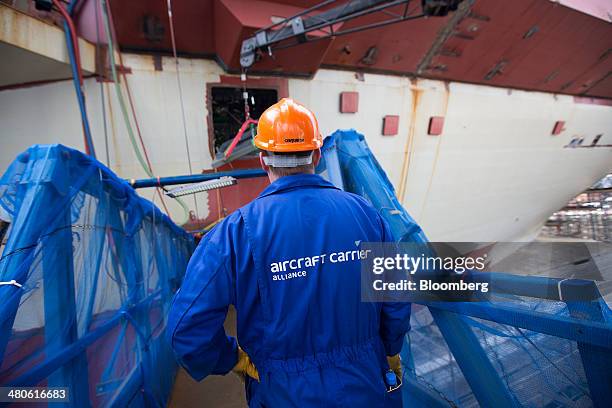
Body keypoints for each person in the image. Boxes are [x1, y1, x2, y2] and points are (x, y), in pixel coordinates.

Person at [167, 98, 411, 407]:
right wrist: (391, 349)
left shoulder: (233, 233)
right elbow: (396, 294)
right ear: (317, 154)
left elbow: (186, 331)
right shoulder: (366, 214)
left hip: (283, 393)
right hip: (365, 385)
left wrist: (232, 359)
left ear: (263, 160)